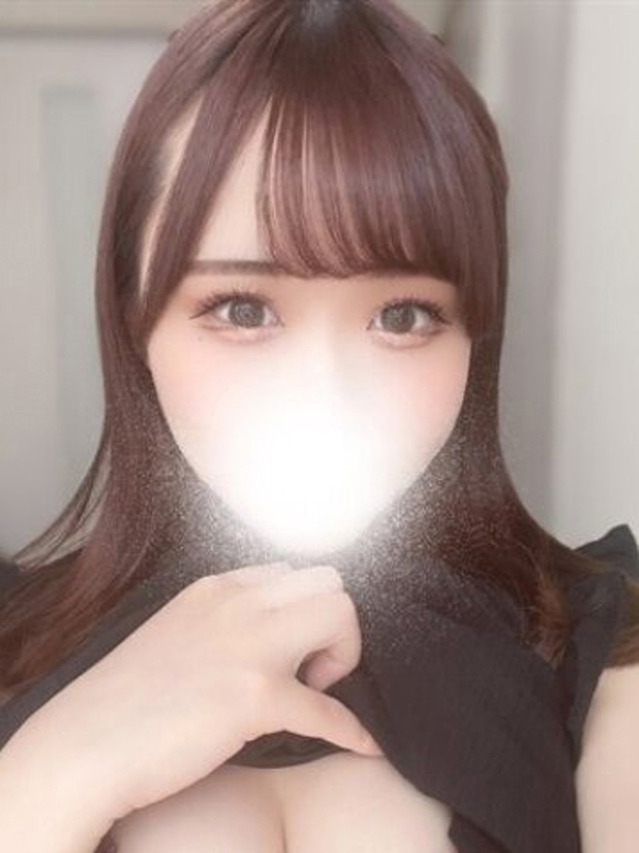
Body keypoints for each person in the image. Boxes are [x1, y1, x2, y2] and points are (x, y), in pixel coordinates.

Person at [1, 1, 638, 852]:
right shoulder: (12, 644)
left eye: (403, 315)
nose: (326, 391)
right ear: (133, 315)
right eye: (242, 308)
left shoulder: (606, 656)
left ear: (475, 332)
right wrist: (52, 771)